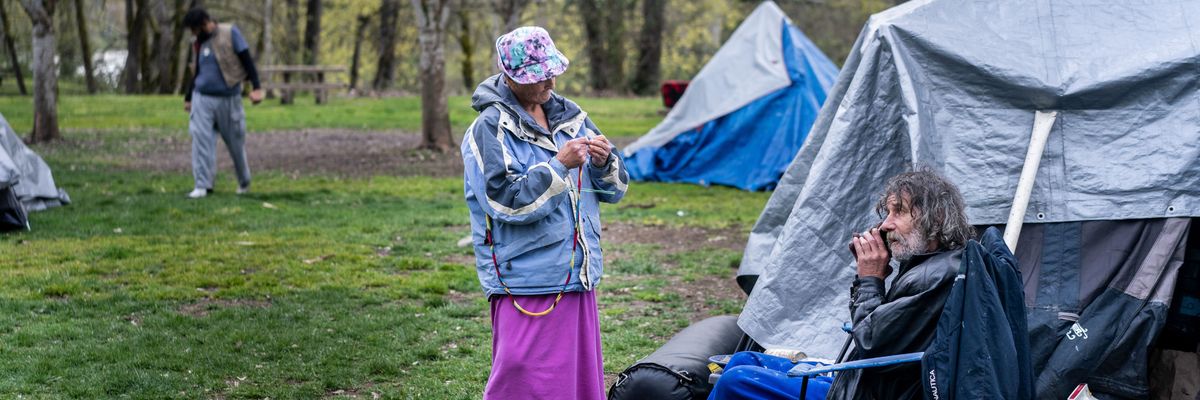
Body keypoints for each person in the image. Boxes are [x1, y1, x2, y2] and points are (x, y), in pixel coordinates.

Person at [461, 26, 629, 400]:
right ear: (511, 78)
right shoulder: (488, 129)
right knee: (520, 374)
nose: (549, 81)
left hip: (574, 276)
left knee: (574, 381)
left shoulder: (570, 117)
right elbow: (504, 200)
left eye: (551, 71)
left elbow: (614, 191)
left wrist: (604, 163)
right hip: (525, 280)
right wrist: (559, 165)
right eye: (538, 76)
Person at [710, 170, 974, 400]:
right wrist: (871, 277)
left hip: (869, 391)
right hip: (862, 380)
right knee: (743, 360)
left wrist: (870, 279)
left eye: (900, 211)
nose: (885, 224)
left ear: (936, 218)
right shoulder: (932, 264)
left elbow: (871, 343)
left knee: (739, 379)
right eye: (888, 212)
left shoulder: (934, 276)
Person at [181, 8, 263, 199]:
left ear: (203, 24)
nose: (193, 34)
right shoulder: (198, 43)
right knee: (200, 139)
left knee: (235, 142)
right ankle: (202, 185)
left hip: (229, 98)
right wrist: (188, 97)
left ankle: (244, 182)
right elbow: (198, 70)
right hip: (202, 98)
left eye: (194, 29)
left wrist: (257, 87)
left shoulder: (230, 33)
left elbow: (247, 61)